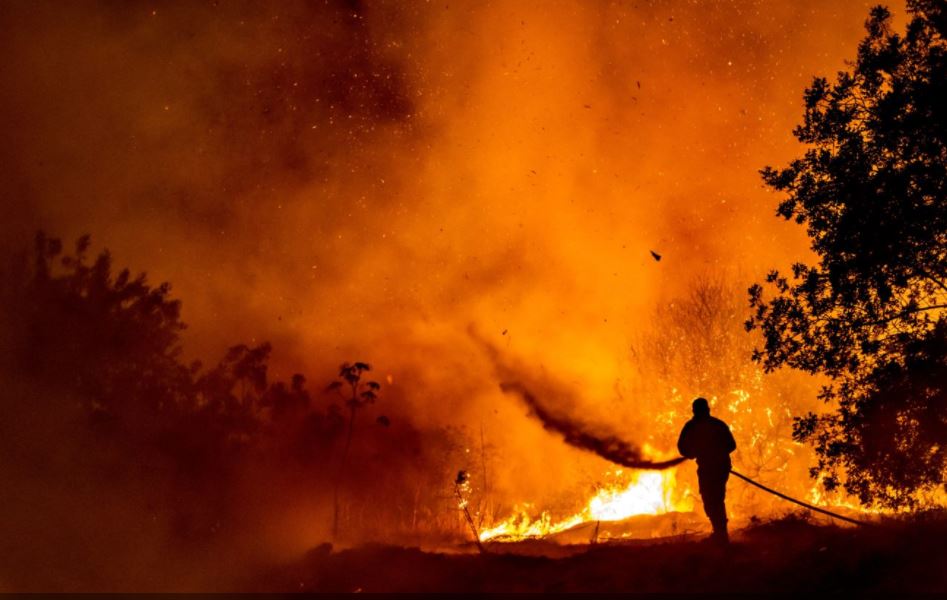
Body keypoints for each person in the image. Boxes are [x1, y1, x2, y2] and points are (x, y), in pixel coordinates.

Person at [677, 397, 737, 544]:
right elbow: (682, 447)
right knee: (710, 500)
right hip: (708, 467)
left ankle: (721, 534)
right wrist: (692, 453)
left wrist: (715, 453)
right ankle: (719, 532)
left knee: (715, 498)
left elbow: (731, 445)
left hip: (718, 467)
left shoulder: (715, 425)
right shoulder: (695, 426)